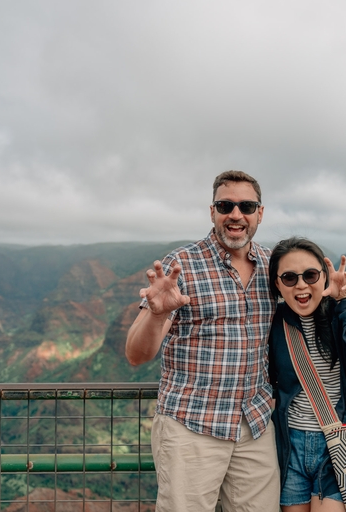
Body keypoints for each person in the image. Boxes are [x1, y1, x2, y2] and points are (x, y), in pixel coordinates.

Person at [125, 170, 280, 512]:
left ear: (260, 213)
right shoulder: (180, 266)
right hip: (191, 424)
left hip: (254, 423)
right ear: (212, 212)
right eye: (226, 205)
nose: (236, 214)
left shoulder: (273, 266)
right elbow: (137, 354)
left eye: (246, 206)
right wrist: (157, 314)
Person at [268, 237, 346, 512]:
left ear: (322, 276)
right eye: (289, 277)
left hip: (340, 446)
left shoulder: (342, 314)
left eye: (310, 275)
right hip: (290, 446)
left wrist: (345, 300)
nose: (300, 285)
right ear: (277, 284)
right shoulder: (275, 323)